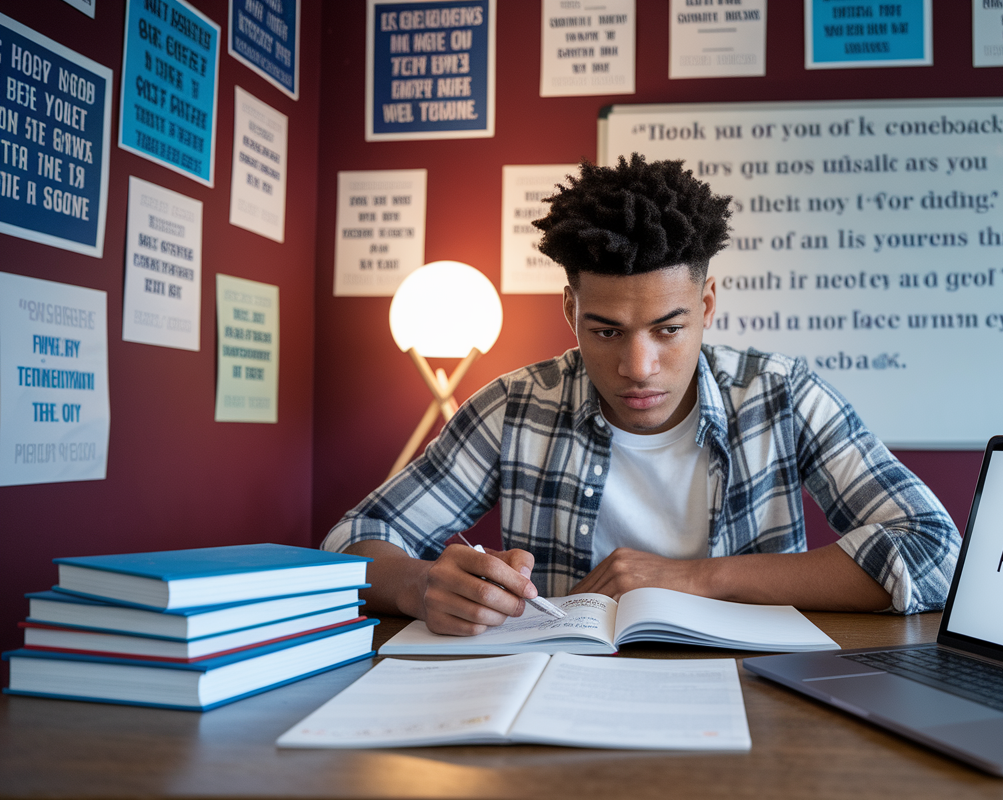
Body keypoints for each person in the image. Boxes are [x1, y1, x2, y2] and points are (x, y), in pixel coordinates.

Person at [322, 154, 960, 635]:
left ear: (706, 304)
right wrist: (420, 584)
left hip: (761, 696)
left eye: (669, 329)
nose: (638, 366)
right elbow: (353, 540)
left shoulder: (783, 396)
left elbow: (934, 551)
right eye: (605, 331)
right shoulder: (513, 407)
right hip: (559, 691)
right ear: (570, 309)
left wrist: (696, 580)